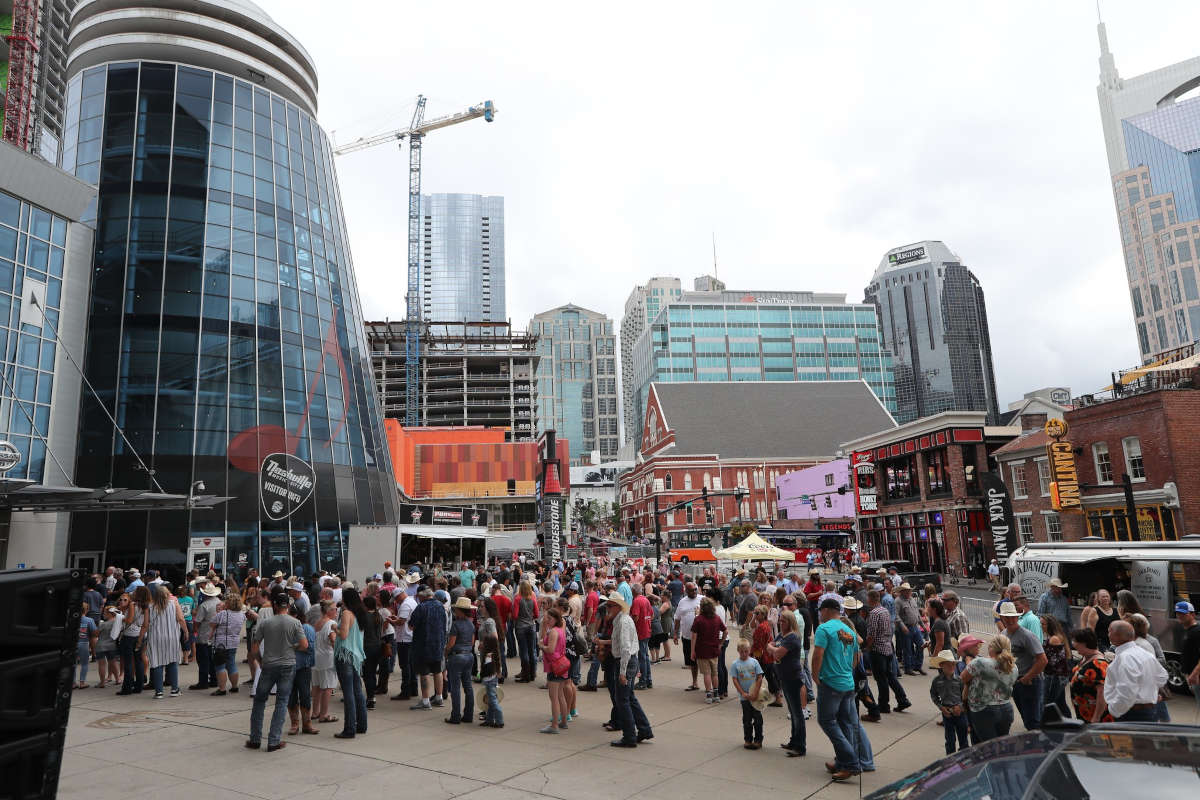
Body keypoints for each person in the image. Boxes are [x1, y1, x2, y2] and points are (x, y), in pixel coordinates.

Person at [812, 597, 874, 782]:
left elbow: (818, 654)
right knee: (846, 722)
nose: (819, 615)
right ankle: (842, 761)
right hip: (847, 682)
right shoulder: (849, 631)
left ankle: (851, 762)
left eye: (820, 611)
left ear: (827, 610)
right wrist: (846, 670)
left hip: (831, 683)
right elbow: (856, 658)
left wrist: (816, 676)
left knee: (827, 721)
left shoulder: (824, 629)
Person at [246, 587, 307, 752]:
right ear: (287, 606)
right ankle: (273, 740)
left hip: (269, 664)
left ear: (274, 605)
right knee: (282, 701)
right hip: (287, 664)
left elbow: (254, 648)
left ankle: (255, 738)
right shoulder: (295, 623)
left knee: (259, 701)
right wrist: (291, 647)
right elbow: (304, 645)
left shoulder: (266, 623)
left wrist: (260, 660)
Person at [1094, 619, 1168, 722]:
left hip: (1132, 714)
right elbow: (1162, 677)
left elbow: (1126, 692)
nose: (1108, 634)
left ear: (1115, 635)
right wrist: (1148, 692)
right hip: (1147, 711)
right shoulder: (1144, 653)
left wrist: (1113, 710)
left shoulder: (1126, 658)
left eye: (1109, 631)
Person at [607, 591, 653, 747]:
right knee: (629, 698)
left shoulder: (623, 621)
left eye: (610, 605)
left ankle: (629, 736)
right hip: (628, 660)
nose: (608, 608)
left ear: (617, 606)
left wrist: (622, 672)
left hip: (625, 661)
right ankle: (644, 729)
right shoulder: (621, 620)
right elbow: (632, 644)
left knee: (623, 700)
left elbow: (626, 648)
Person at [997, 600, 1047, 731]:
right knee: (1027, 718)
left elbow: (1042, 660)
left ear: (1018, 616)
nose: (1010, 620)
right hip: (1016, 681)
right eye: (1006, 617)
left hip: (1029, 682)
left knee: (1033, 721)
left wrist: (1027, 678)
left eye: (1012, 616)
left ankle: (1039, 746)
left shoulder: (1027, 635)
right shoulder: (1003, 635)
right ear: (1002, 618)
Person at [766, 609, 807, 757]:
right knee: (792, 711)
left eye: (784, 621)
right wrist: (773, 648)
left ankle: (800, 746)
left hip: (793, 678)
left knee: (797, 713)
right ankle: (793, 741)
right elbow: (769, 645)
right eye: (780, 620)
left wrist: (773, 649)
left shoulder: (792, 638)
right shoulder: (781, 635)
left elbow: (776, 652)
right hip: (784, 677)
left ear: (790, 622)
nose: (781, 623)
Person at [960, 635, 1017, 742]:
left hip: (983, 709)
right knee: (1000, 745)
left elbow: (963, 678)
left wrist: (969, 662)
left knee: (986, 747)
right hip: (1006, 708)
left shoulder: (980, 662)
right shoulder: (1013, 667)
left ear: (992, 648)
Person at [864, 589, 910, 714]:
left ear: (871, 599)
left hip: (878, 650)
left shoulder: (874, 613)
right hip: (888, 647)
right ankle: (902, 699)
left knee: (881, 679)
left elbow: (871, 634)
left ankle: (884, 704)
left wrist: (867, 647)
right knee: (890, 676)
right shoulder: (884, 611)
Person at [333, 587, 369, 738]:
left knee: (348, 693)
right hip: (356, 656)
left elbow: (344, 634)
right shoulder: (361, 613)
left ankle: (349, 728)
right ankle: (361, 724)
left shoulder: (347, 613)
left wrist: (335, 627)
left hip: (345, 655)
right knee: (357, 691)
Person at [409, 586, 447, 709]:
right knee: (437, 671)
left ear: (422, 596)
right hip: (438, 643)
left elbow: (411, 626)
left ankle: (425, 701)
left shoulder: (421, 607)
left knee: (424, 672)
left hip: (423, 645)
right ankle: (439, 697)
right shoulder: (441, 606)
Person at [286, 604, 318, 736]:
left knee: (304, 694)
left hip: (302, 667)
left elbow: (309, 647)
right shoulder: (286, 627)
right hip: (288, 666)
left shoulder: (306, 628)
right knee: (291, 695)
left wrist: (291, 647)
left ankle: (307, 724)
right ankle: (295, 724)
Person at [444, 596, 476, 725]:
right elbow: (472, 642)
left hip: (457, 657)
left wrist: (446, 653)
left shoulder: (456, 625)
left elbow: (451, 643)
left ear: (460, 610)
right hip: (468, 655)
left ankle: (455, 715)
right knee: (468, 686)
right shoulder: (471, 624)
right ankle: (468, 715)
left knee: (456, 687)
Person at [929, 649, 968, 754]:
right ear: (941, 665)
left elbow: (964, 696)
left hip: (960, 713)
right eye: (948, 665)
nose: (952, 667)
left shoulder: (959, 680)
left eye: (953, 664)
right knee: (950, 740)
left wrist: (960, 706)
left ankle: (964, 760)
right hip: (947, 714)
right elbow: (933, 695)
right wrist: (941, 707)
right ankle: (950, 761)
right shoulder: (937, 681)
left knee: (963, 739)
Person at [1069, 627, 1112, 723]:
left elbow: (1102, 693)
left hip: (1094, 716)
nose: (1072, 643)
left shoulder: (1099, 664)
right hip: (1084, 712)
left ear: (1083, 643)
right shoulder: (1085, 657)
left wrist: (1096, 717)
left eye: (1075, 641)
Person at [538, 605, 569, 733]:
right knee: (560, 695)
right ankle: (563, 721)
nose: (547, 620)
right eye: (547, 618)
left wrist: (541, 646)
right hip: (561, 664)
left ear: (556, 619)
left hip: (554, 665)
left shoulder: (554, 632)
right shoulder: (560, 629)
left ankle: (554, 725)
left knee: (554, 697)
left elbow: (550, 649)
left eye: (549, 618)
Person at [689, 597, 726, 704]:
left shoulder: (698, 619)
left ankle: (709, 694)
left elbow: (694, 637)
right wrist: (721, 643)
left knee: (707, 673)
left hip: (702, 650)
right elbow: (725, 631)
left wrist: (692, 651)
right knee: (715, 673)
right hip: (714, 650)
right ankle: (716, 694)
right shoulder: (717, 618)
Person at [209, 592, 246, 695]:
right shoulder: (241, 614)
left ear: (229, 603)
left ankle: (222, 689)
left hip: (221, 643)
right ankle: (234, 687)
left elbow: (212, 623)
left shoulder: (223, 614)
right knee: (231, 664)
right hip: (234, 642)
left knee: (220, 666)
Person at [732, 639, 765, 750]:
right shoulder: (735, 664)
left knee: (757, 718)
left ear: (749, 650)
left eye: (746, 651)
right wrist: (742, 693)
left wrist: (755, 692)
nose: (744, 654)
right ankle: (748, 739)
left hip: (756, 696)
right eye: (742, 652)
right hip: (744, 697)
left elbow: (759, 677)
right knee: (747, 719)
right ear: (738, 651)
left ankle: (758, 740)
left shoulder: (754, 662)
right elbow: (735, 679)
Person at [117, 586, 150, 695]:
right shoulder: (146, 606)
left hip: (129, 635)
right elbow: (145, 624)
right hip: (140, 634)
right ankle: (139, 686)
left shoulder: (132, 605)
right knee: (139, 660)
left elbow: (129, 620)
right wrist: (140, 638)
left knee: (128, 662)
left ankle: (127, 687)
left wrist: (120, 617)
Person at [1039, 614, 1073, 719]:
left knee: (1047, 703)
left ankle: (1050, 724)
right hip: (1059, 675)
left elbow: (1053, 661)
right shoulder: (1054, 636)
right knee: (1060, 703)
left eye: (1043, 624)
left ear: (1050, 625)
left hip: (1055, 676)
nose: (1041, 626)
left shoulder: (1054, 639)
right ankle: (1069, 722)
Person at [190, 582, 221, 691]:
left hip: (204, 635)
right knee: (212, 660)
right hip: (216, 635)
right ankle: (214, 679)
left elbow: (197, 621)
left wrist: (194, 630)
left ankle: (203, 682)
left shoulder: (204, 605)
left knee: (203, 660)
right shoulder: (219, 602)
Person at [312, 601, 339, 724]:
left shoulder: (317, 623)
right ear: (328, 610)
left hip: (316, 658)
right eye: (334, 609)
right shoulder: (331, 623)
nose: (336, 611)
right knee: (327, 687)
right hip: (327, 658)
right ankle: (324, 714)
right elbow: (333, 639)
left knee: (316, 686)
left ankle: (315, 712)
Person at [673, 581, 702, 692]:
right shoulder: (682, 602)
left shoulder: (702, 599)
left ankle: (709, 685)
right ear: (686, 591)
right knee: (692, 661)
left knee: (704, 661)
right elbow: (677, 618)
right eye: (691, 590)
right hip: (687, 637)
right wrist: (675, 633)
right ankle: (695, 682)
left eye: (695, 589)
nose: (694, 591)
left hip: (701, 637)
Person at [513, 581, 539, 683]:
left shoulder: (518, 599)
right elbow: (536, 614)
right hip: (531, 626)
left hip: (521, 626)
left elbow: (515, 615)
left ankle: (525, 675)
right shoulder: (532, 599)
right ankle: (532, 673)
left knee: (523, 652)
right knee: (532, 651)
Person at [1177, 601, 1200, 715]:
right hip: (1193, 678)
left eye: (1183, 614)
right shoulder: (1188, 631)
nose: (1180, 616)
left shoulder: (1197, 631)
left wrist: (1194, 674)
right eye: (1178, 613)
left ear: (1192, 614)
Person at [895, 583, 923, 675]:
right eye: (907, 590)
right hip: (906, 627)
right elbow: (896, 615)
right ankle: (908, 668)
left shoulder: (912, 599)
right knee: (907, 649)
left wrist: (922, 624)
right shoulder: (898, 601)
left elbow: (917, 613)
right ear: (902, 591)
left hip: (915, 626)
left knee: (921, 645)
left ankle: (917, 666)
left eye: (909, 590)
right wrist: (902, 626)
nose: (909, 592)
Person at [629, 584, 654, 690]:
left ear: (634, 591)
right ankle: (648, 680)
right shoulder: (646, 600)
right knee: (645, 656)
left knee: (642, 657)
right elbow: (652, 615)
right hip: (646, 630)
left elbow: (635, 616)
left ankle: (643, 681)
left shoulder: (637, 601)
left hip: (640, 632)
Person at [479, 631, 504, 727]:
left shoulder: (489, 656)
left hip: (489, 681)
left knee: (493, 701)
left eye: (484, 642)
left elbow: (488, 671)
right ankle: (489, 720)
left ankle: (499, 720)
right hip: (492, 680)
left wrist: (483, 678)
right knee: (490, 701)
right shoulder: (495, 653)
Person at [95, 605, 121, 688]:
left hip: (101, 645)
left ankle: (102, 682)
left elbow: (96, 634)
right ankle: (117, 679)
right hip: (112, 645)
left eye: (105, 613)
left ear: (110, 614)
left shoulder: (103, 624)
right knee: (113, 662)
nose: (104, 614)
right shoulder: (118, 623)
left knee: (102, 664)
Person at [76, 602, 97, 690]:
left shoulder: (71, 619)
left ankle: (73, 682)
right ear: (87, 610)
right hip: (84, 643)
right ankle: (82, 682)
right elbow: (94, 634)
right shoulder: (89, 620)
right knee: (84, 663)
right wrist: (93, 650)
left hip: (73, 644)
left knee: (72, 664)